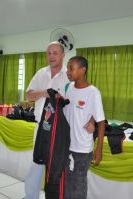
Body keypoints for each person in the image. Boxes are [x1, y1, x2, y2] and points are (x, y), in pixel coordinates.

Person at [24, 42, 94, 199]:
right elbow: (28, 95)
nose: (51, 56)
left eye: (55, 53)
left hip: (61, 130)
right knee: (36, 163)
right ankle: (30, 196)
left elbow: (86, 99)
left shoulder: (70, 76)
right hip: (40, 128)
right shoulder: (41, 73)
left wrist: (91, 120)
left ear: (63, 55)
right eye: (49, 53)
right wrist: (44, 93)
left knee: (57, 166)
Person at [63, 56, 105, 199]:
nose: (68, 71)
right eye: (68, 67)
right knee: (67, 184)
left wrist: (99, 149)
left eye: (71, 68)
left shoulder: (93, 92)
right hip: (66, 146)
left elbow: (101, 121)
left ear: (83, 70)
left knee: (79, 187)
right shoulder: (68, 88)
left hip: (82, 149)